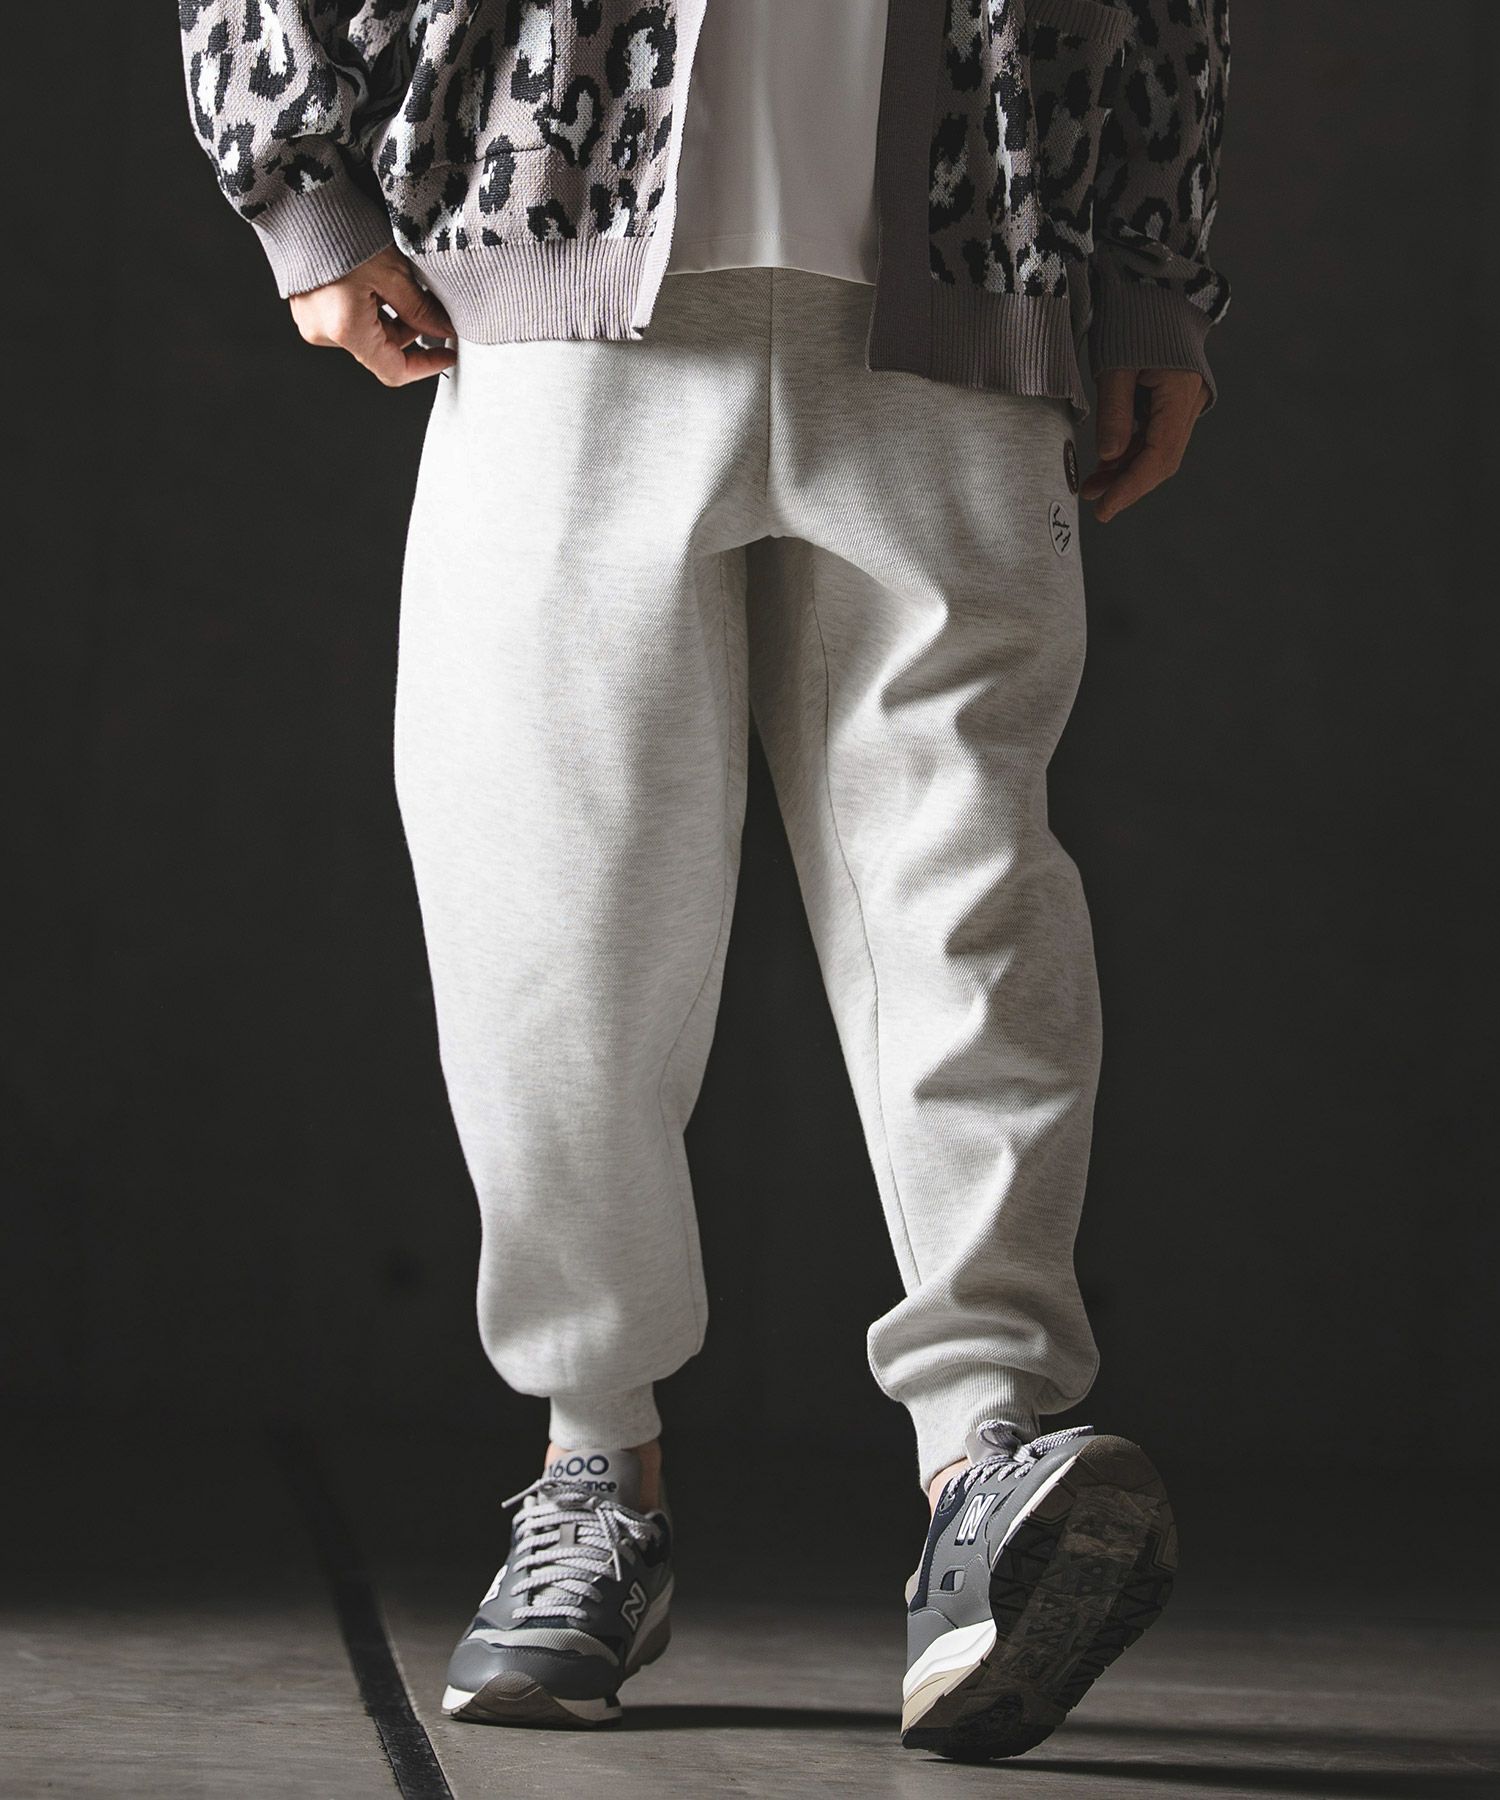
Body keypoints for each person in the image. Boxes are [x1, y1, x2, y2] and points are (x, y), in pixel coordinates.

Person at [179, 0, 1228, 1762]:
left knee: (968, 898)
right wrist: (300, 177)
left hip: (974, 258)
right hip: (551, 244)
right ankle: (595, 1463)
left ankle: (988, 1466)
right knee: (547, 917)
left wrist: (1149, 272)